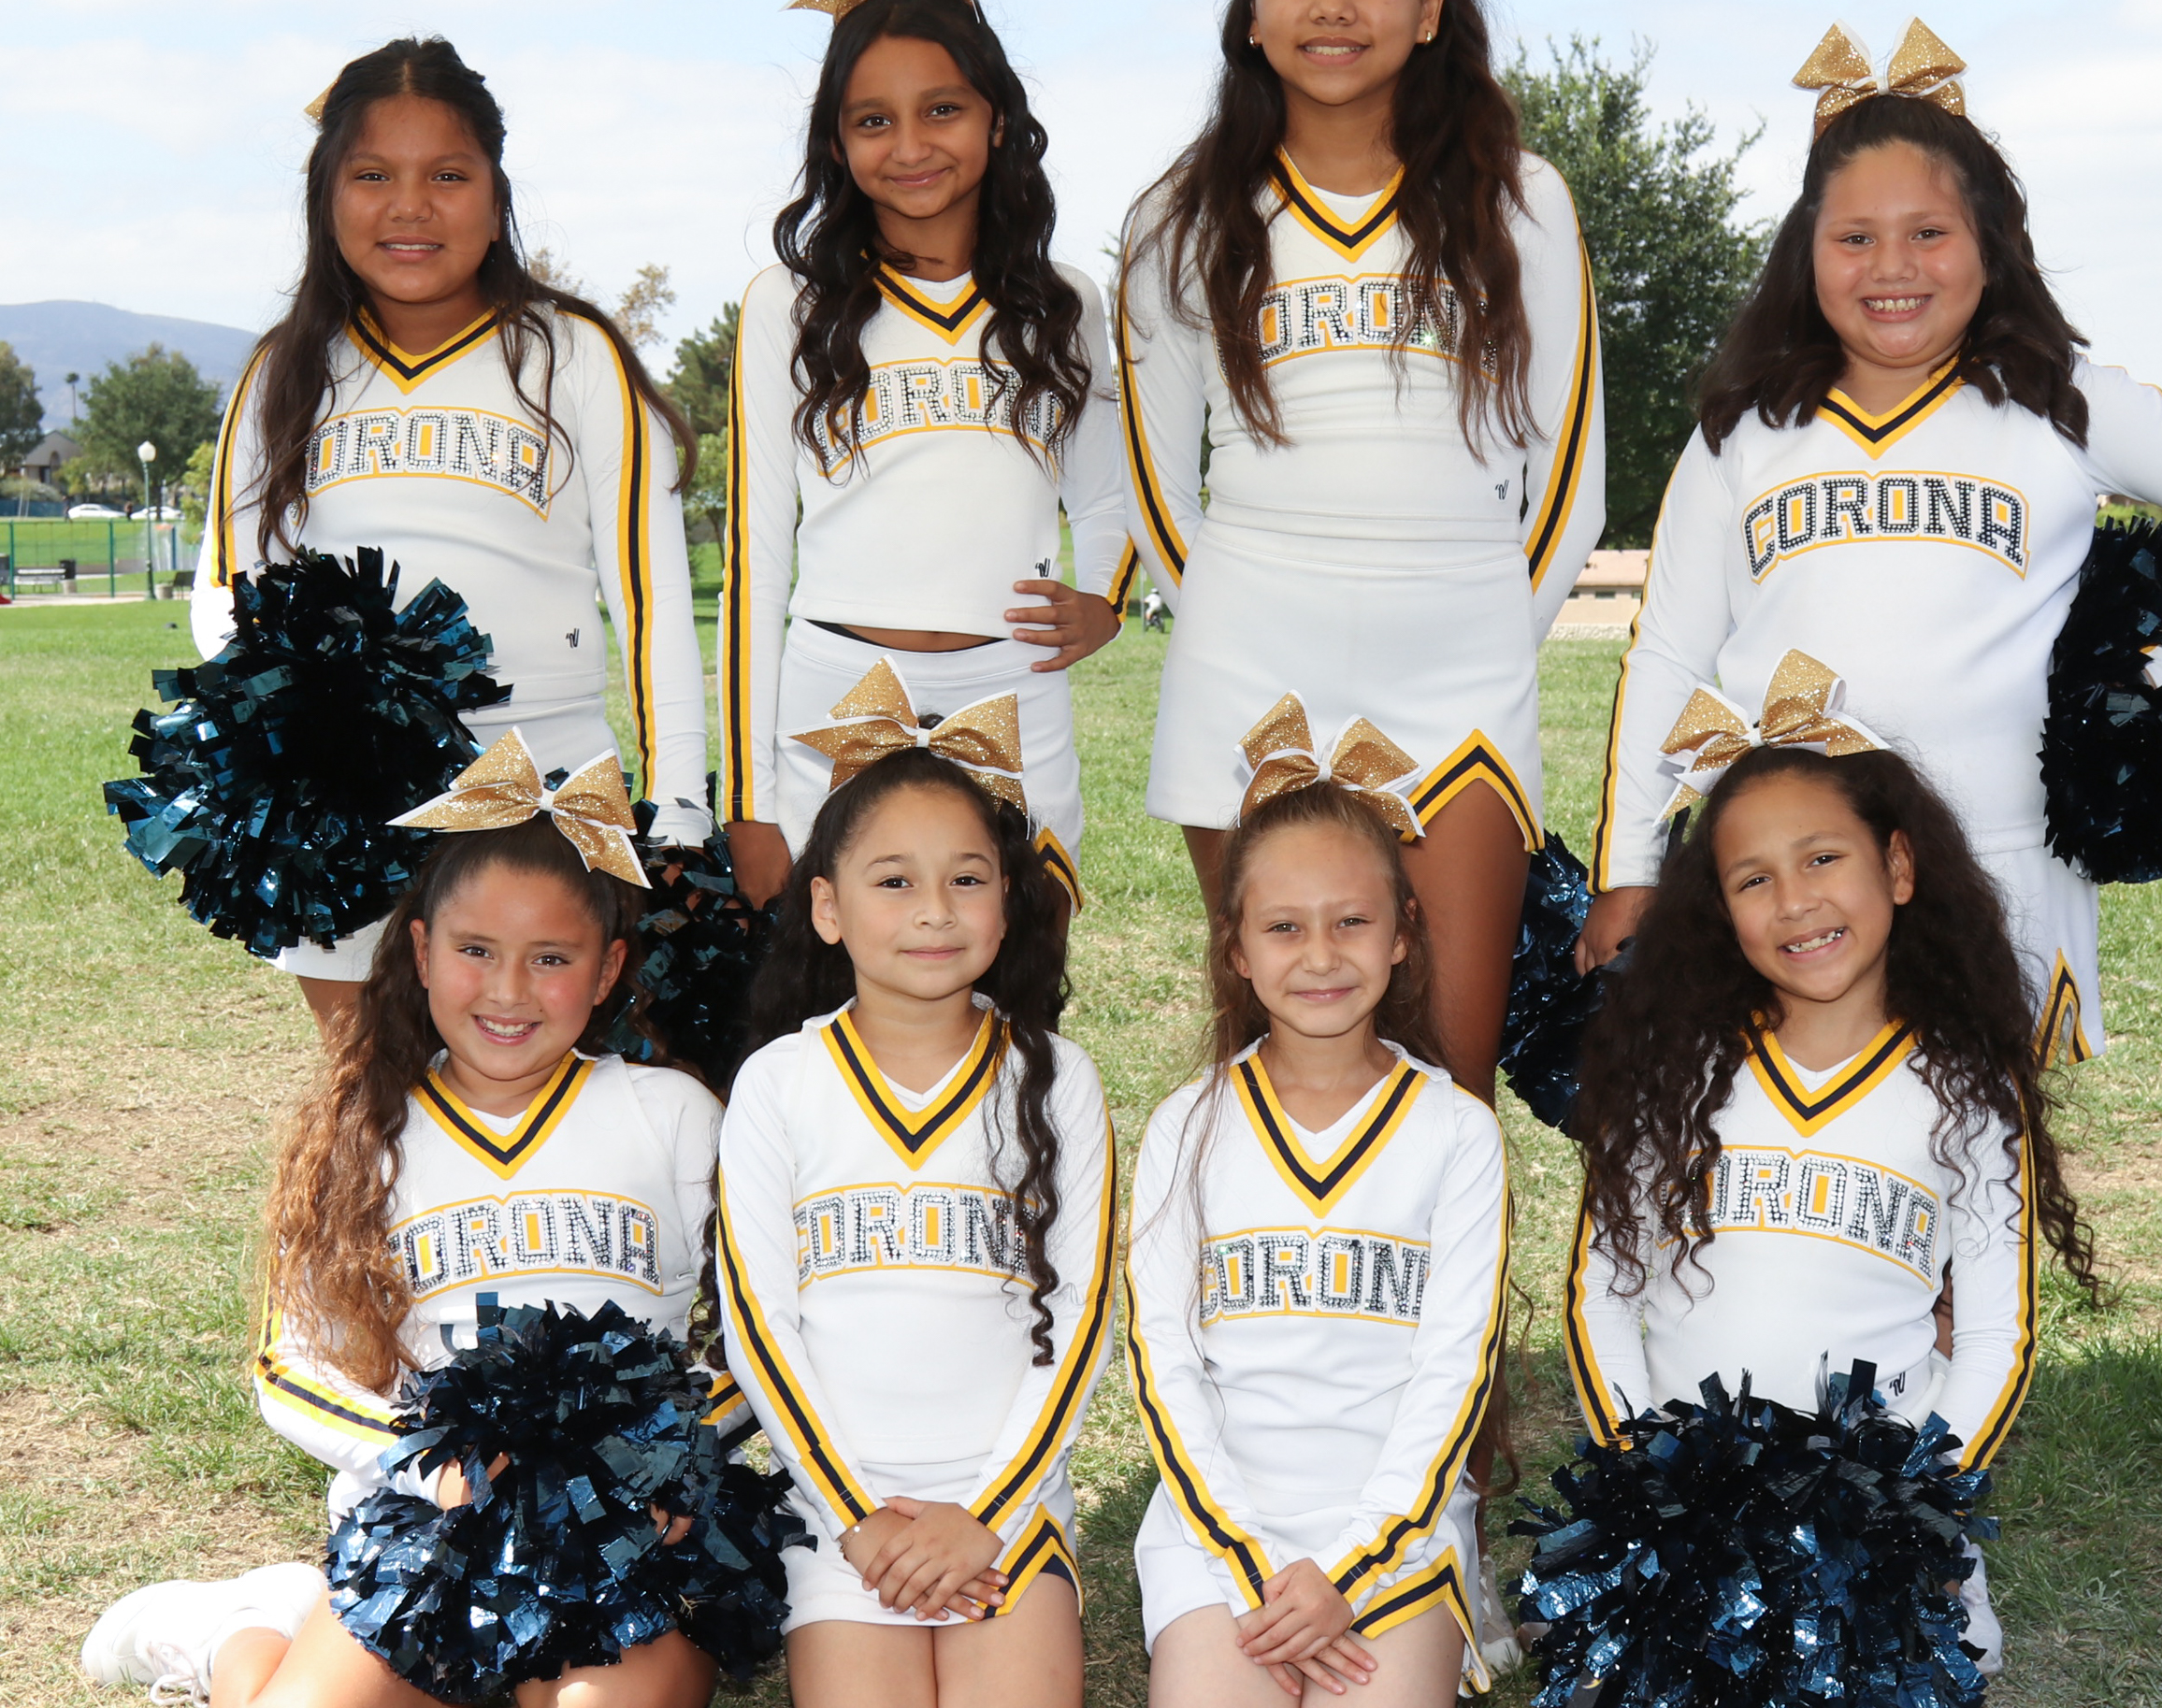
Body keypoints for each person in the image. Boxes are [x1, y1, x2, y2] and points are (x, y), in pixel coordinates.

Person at [1579, 22, 2162, 1062]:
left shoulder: (2054, 401)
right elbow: (1667, 651)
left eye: (1929, 232)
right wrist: (1629, 868)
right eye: (1854, 238)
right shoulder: (1745, 430)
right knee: (1788, 1135)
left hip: (2001, 857)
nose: (1893, 267)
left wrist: (2142, 671)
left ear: (1989, 244)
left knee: (1985, 1146)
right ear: (1807, 252)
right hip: (1789, 883)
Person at [1117, 0, 1604, 1099]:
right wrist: (1220, 607)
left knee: (1448, 1077)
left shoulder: (1521, 199)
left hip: (1459, 663)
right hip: (1249, 660)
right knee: (1289, 1060)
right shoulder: (1178, 215)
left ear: (1431, 5)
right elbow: (1154, 478)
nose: (1332, 4)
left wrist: (1492, 621)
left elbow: (1566, 469)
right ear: (1250, 10)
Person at [81, 741, 739, 1706]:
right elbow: (288, 1366)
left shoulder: (672, 1112)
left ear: (607, 970)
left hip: (624, 1524)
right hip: (429, 1522)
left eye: (550, 959)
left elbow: (752, 1339)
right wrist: (431, 1463)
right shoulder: (366, 1128)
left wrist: (656, 1461)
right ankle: (239, 1631)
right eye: (476, 951)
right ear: (422, 950)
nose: (508, 990)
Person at [198, 36, 712, 1029]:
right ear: (326, 194)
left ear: (495, 191)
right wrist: (304, 731)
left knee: (548, 1084)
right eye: (372, 175)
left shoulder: (573, 355)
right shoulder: (282, 367)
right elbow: (231, 589)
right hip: (348, 802)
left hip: (545, 780)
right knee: (370, 1089)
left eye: (447, 175)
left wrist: (682, 810)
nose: (410, 206)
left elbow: (651, 605)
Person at [1565, 732, 2100, 1669]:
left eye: (1822, 858)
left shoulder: (1967, 1088)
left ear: (1897, 867)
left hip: (1876, 1519)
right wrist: (1644, 1480)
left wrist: (1913, 1506)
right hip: (1687, 1507)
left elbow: (1994, 1336)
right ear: (1718, 910)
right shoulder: (1672, 1070)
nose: (1795, 900)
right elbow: (1600, 1297)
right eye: (1753, 879)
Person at [723, 0, 1131, 915]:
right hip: (835, 692)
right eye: (873, 120)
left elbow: (1111, 494)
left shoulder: (1064, 303)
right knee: (832, 979)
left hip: (1014, 696)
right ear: (835, 142)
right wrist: (748, 801)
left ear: (996, 118)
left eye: (941, 109)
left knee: (1016, 962)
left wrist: (1108, 597)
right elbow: (754, 556)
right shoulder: (788, 305)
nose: (910, 145)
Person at [714, 707, 1117, 1708]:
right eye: (894, 881)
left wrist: (989, 1513)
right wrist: (855, 1517)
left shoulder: (1058, 1077)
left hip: (1008, 1513)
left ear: (1008, 900)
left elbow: (1085, 1316)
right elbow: (760, 1325)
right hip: (840, 1516)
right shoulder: (778, 1083)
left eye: (966, 879)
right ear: (827, 905)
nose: (934, 910)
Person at [1127, 701, 1510, 1704]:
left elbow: (1453, 1374)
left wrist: (1349, 1568)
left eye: (1352, 921)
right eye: (1284, 927)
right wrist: (1249, 1559)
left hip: (1396, 1537)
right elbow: (1164, 1364)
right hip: (1218, 1533)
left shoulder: (1456, 1129)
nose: (1321, 954)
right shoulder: (1187, 1124)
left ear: (1402, 933)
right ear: (1237, 948)